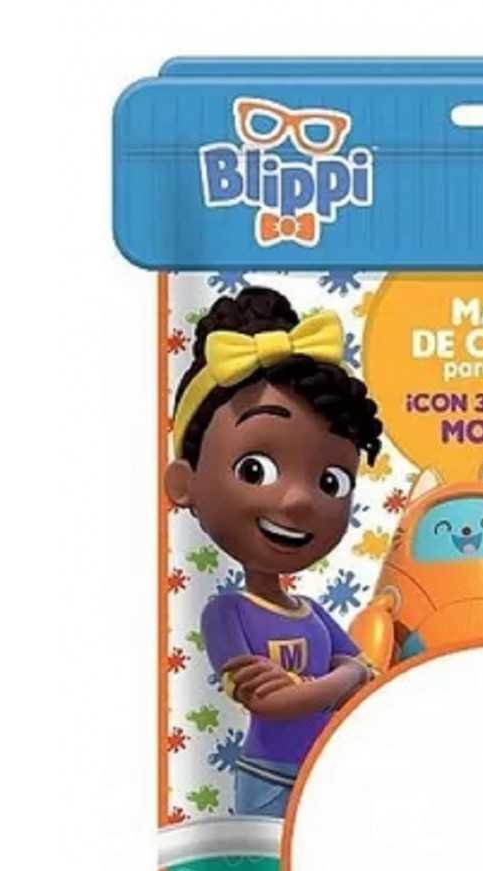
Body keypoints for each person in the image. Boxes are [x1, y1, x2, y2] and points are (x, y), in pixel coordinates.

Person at [164, 286, 383, 817]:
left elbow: (367, 673)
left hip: (330, 766)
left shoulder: (312, 610)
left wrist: (339, 678)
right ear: (184, 483)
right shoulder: (227, 612)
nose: (299, 500)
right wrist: (339, 676)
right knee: (264, 859)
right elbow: (272, 703)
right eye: (255, 470)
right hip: (267, 776)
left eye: (330, 481)